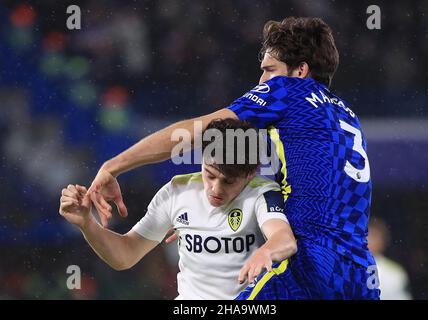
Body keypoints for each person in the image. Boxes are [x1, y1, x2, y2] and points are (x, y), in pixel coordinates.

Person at [87, 17, 380, 299]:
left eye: (270, 69)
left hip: (311, 263)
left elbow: (197, 132)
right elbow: (304, 183)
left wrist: (114, 166)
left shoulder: (287, 91)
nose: (261, 80)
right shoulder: (346, 116)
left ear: (300, 71)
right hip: (359, 271)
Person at [60, 119, 297, 299]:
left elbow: (284, 239)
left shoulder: (262, 192)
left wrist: (266, 251)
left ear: (249, 174)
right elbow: (125, 255)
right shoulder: (177, 191)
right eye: (210, 175)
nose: (215, 188)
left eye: (228, 181)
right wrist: (87, 224)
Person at [368, 219, 412, 300]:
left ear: (383, 241)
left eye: (374, 236)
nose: (369, 241)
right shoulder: (346, 266)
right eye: (367, 236)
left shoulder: (395, 272)